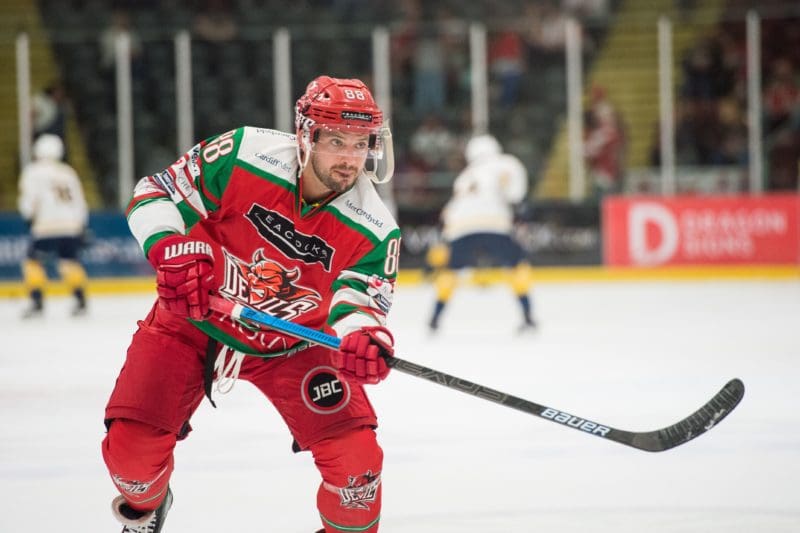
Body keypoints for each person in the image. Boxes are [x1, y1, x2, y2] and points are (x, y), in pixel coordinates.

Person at [103, 76, 400, 533]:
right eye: (336, 140)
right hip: (195, 319)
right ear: (306, 136)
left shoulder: (376, 228)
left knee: (358, 471)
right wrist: (168, 248)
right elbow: (155, 192)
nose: (349, 159)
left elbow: (359, 303)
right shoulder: (244, 154)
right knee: (131, 456)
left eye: (360, 144)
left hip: (297, 343)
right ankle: (145, 511)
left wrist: (362, 337)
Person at [427, 133, 535, 332]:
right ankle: (528, 316)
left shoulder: (464, 177)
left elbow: (449, 211)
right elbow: (516, 194)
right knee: (517, 266)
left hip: (459, 228)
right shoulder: (507, 163)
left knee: (450, 273)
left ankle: (434, 318)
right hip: (495, 223)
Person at [17, 134, 89, 318]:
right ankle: (80, 299)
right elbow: (80, 201)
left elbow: (28, 202)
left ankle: (36, 300)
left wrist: (28, 217)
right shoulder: (68, 171)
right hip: (71, 224)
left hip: (45, 226)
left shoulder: (33, 171)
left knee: (33, 262)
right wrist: (80, 224)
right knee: (69, 262)